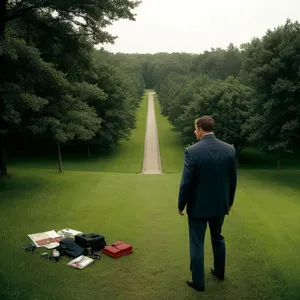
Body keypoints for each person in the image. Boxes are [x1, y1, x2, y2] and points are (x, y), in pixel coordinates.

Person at [178, 116, 237, 292]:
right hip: (220, 205)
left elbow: (186, 182)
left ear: (201, 129)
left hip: (198, 207)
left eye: (195, 129)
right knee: (218, 237)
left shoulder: (192, 151)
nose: (194, 132)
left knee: (197, 243)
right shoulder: (229, 150)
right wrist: (230, 202)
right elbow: (233, 180)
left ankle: (198, 282)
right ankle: (219, 272)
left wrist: (181, 204)